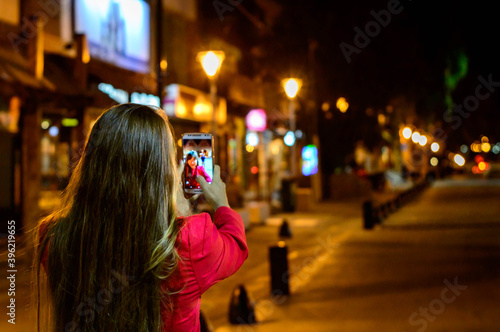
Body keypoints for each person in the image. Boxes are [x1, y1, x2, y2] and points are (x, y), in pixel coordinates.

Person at [34, 103, 248, 332]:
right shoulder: (191, 241)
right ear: (162, 172)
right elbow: (234, 246)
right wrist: (220, 204)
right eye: (169, 158)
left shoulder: (53, 236)